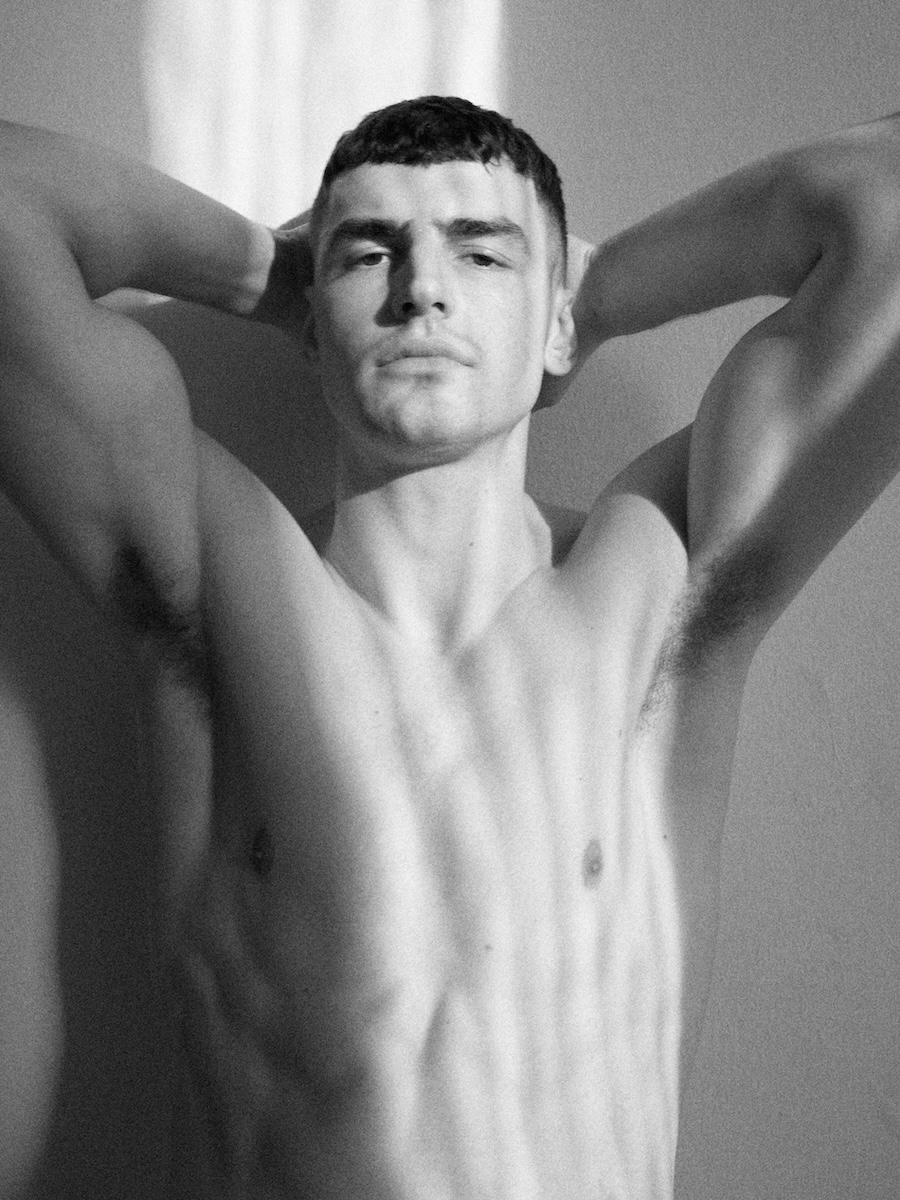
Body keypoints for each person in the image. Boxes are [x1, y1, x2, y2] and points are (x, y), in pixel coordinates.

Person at [1, 94, 899, 1199]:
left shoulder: (661, 588)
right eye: (369, 252)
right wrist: (269, 279)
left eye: (481, 253)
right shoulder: (213, 581)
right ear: (315, 315)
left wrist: (598, 294)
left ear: (552, 316)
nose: (421, 287)